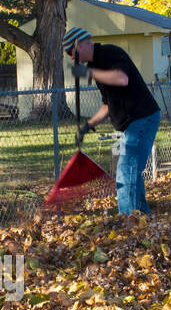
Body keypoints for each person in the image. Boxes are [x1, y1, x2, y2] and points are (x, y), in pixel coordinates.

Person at [64, 26, 161, 215]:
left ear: (82, 44)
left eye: (71, 52)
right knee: (133, 169)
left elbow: (122, 79)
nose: (70, 57)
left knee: (126, 169)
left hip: (141, 118)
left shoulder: (110, 53)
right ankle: (140, 213)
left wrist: (89, 74)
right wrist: (88, 125)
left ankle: (128, 218)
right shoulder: (95, 66)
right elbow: (107, 105)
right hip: (133, 122)